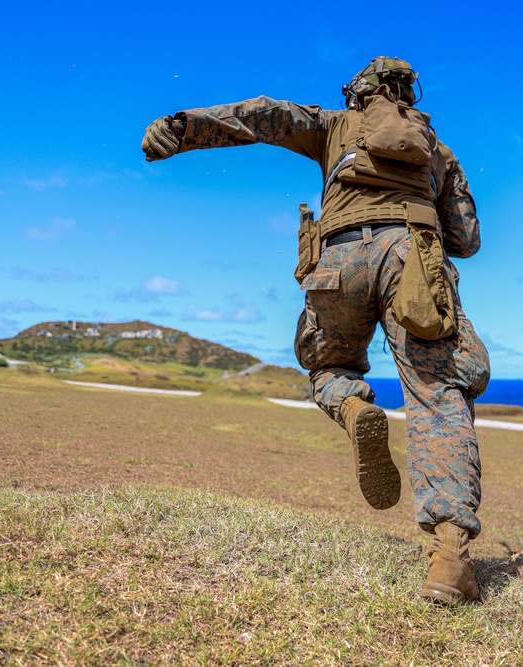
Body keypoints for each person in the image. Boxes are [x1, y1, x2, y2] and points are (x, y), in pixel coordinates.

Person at [142, 56, 490, 605]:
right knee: (437, 395)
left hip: (339, 264)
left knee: (328, 366)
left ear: (357, 93)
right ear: (408, 97)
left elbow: (262, 115)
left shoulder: (331, 125)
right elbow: (466, 238)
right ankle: (449, 558)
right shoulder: (437, 152)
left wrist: (184, 126)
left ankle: (353, 409)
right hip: (414, 262)